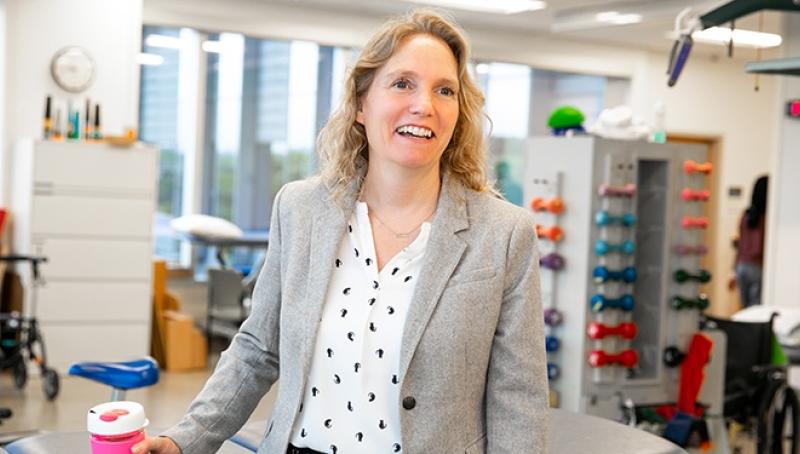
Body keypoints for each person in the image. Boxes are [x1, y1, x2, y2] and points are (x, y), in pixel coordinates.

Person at [133, 9, 548, 454]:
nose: (424, 104)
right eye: (402, 83)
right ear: (360, 106)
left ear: (459, 114)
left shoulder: (505, 233)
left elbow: (518, 400)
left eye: (444, 90)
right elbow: (258, 349)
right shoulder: (300, 209)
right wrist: (184, 440)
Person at [729, 175, 768, 308]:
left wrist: (733, 271)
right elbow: (759, 247)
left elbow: (739, 243)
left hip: (741, 266)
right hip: (757, 266)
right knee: (755, 309)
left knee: (745, 308)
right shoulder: (767, 218)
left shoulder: (745, 215)